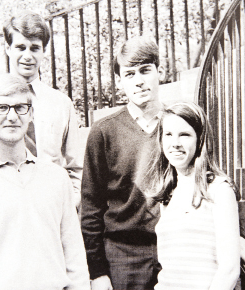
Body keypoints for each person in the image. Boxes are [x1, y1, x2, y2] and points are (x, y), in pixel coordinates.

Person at [0, 73, 90, 290]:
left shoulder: (56, 178)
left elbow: (74, 259)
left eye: (20, 107)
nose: (12, 116)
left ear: (31, 114)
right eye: (1, 107)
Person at [0, 11, 82, 208]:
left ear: (44, 51)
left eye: (34, 48)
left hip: (50, 206)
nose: (27, 56)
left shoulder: (61, 104)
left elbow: (76, 168)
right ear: (8, 48)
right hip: (0, 207)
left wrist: (69, 204)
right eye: (20, 47)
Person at [81, 35, 164, 290]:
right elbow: (91, 206)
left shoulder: (178, 126)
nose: (138, 81)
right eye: (129, 74)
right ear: (120, 82)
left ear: (160, 71)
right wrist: (97, 272)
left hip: (173, 247)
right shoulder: (104, 131)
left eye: (145, 71)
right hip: (123, 256)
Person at [144, 102, 240, 290]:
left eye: (185, 135)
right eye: (169, 135)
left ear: (200, 139)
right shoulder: (169, 194)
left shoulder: (219, 190)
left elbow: (229, 270)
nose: (175, 143)